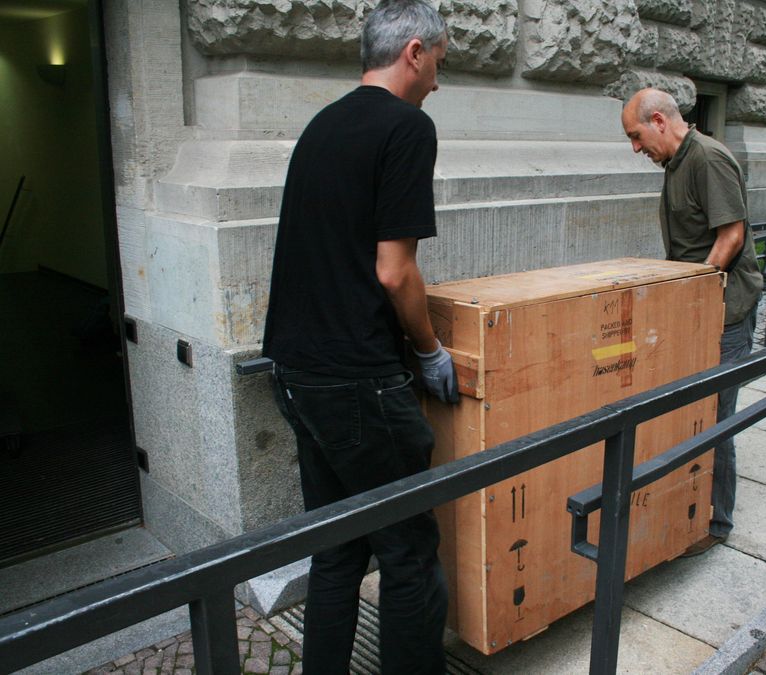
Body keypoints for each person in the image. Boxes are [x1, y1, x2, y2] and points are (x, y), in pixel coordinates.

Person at [261, 1, 456, 672]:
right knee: (408, 555)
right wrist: (429, 350)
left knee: (337, 550)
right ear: (413, 52)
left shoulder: (322, 124)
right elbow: (393, 270)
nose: (438, 78)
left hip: (294, 369)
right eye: (439, 60)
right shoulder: (407, 127)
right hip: (357, 380)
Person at [621, 88, 763, 556]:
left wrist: (694, 298)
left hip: (723, 314)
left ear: (659, 120)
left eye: (637, 136)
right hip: (697, 312)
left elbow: (731, 235)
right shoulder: (676, 163)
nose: (636, 149)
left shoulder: (708, 158)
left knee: (715, 419)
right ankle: (686, 506)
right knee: (690, 414)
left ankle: (717, 522)